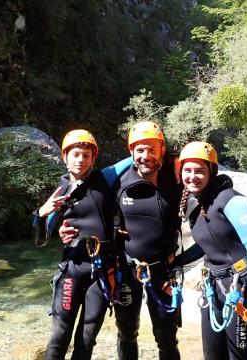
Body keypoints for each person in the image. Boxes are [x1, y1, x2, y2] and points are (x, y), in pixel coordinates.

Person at [59, 121, 184, 360]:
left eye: (151, 149)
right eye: (139, 150)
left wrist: (178, 158)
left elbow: (204, 178)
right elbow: (85, 201)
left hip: (164, 270)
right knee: (127, 333)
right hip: (127, 269)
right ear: (131, 152)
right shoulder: (118, 181)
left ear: (162, 149)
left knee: (166, 337)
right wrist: (63, 230)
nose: (145, 155)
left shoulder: (176, 179)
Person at [33, 129, 132, 360]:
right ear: (65, 157)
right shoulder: (60, 192)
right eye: (75, 154)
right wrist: (41, 213)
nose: (80, 160)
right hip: (72, 270)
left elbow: (134, 157)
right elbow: (40, 241)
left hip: (102, 272)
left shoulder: (105, 179)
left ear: (93, 159)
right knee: (59, 336)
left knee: (86, 340)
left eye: (86, 155)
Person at [174, 141, 247, 360]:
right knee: (212, 355)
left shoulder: (232, 200)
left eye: (199, 170)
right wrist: (175, 262)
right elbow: (207, 243)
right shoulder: (194, 201)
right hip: (212, 287)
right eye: (187, 170)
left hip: (242, 289)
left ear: (212, 171)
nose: (192, 176)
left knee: (239, 357)